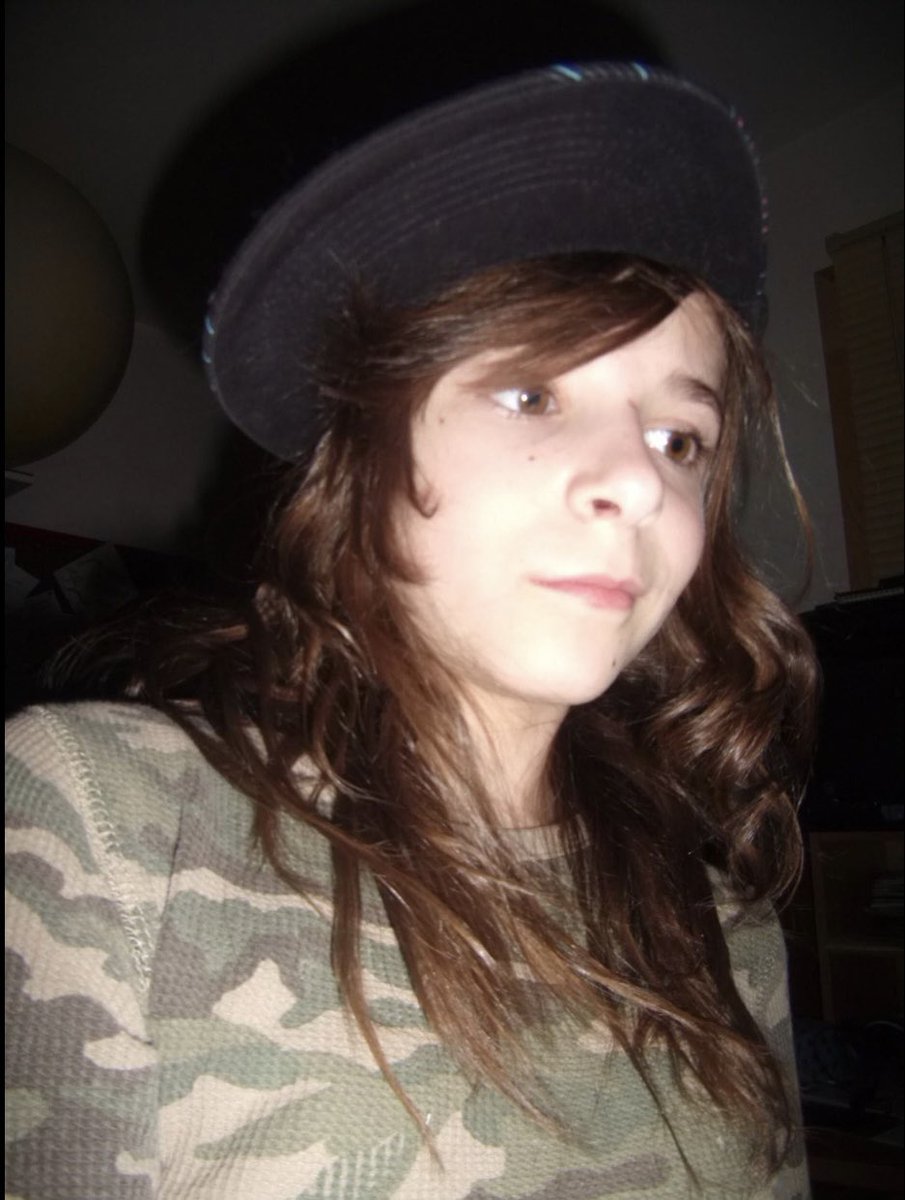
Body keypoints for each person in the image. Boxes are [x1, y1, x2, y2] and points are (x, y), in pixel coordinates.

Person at [5, 62, 817, 1199]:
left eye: (679, 439)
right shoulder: (101, 819)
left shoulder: (723, 923)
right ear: (359, 465)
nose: (639, 482)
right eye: (531, 395)